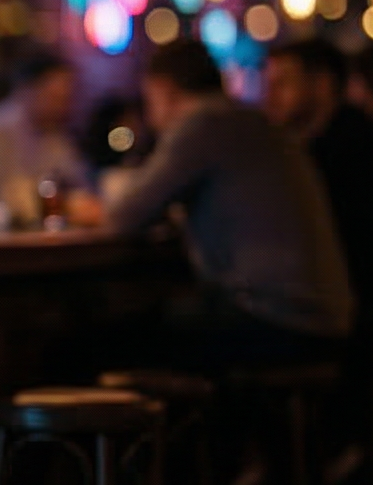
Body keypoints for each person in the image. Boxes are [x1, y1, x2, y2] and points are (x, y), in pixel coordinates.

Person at [100, 38, 354, 363]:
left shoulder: (203, 124)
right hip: (324, 316)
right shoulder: (251, 121)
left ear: (165, 90)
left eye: (150, 102)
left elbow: (124, 216)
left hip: (275, 317)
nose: (151, 118)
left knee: (102, 342)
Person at [262, 38, 373, 337]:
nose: (270, 97)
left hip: (365, 309)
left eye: (283, 84)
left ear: (322, 84)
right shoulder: (324, 142)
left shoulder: (352, 147)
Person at [0, 50, 99, 228]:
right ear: (27, 90)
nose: (64, 106)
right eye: (55, 97)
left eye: (67, 98)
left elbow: (80, 186)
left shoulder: (56, 137)